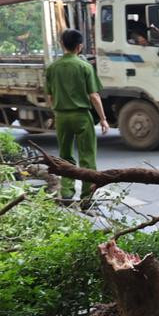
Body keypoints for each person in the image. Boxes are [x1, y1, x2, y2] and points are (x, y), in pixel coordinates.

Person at [45, 28, 110, 207]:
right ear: (79, 46)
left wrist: (56, 113)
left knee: (65, 156)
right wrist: (103, 118)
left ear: (62, 44)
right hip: (81, 116)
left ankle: (66, 193)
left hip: (62, 117)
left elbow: (50, 96)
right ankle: (87, 198)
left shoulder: (52, 68)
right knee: (87, 157)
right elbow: (94, 96)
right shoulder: (84, 66)